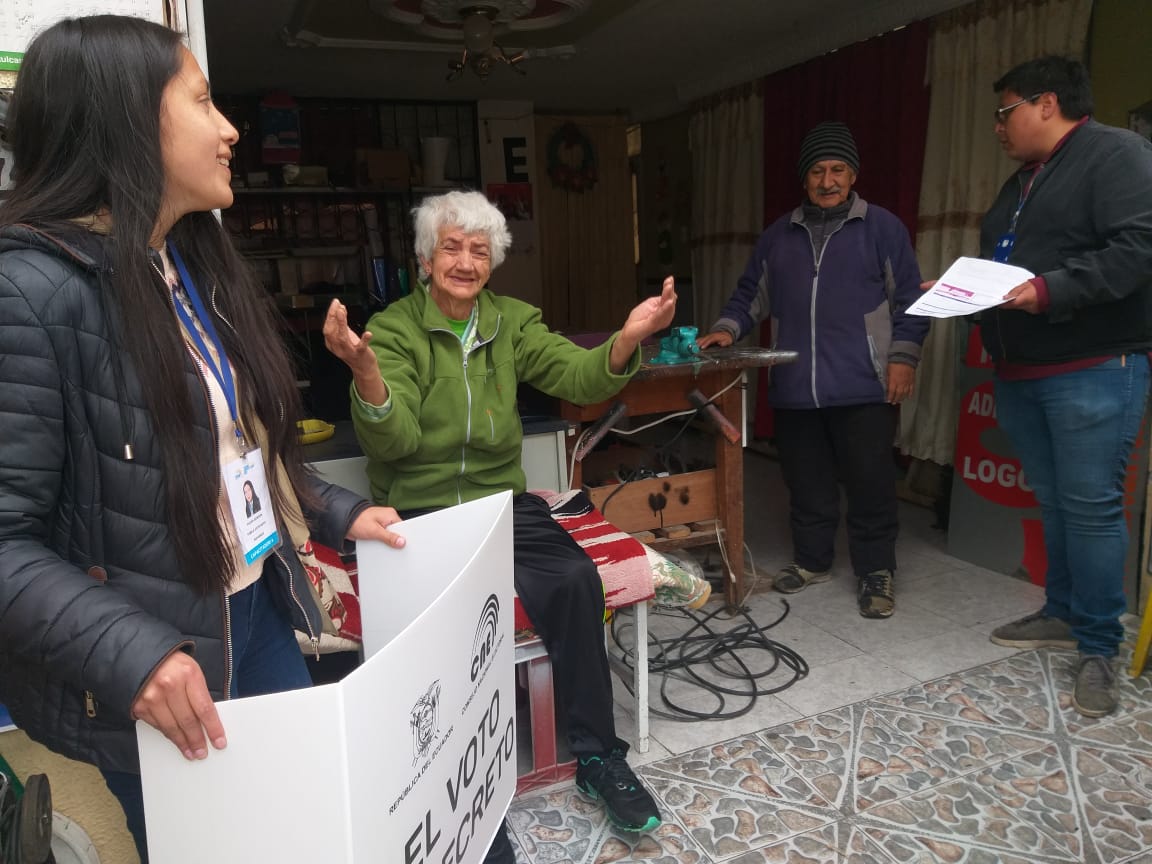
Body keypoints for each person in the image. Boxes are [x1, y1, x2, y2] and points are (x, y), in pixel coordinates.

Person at [0, 16, 406, 863]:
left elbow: (236, 450)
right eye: (203, 100)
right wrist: (135, 657)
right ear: (124, 121)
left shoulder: (182, 263)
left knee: (304, 831)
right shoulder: (29, 292)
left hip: (249, 612)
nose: (230, 129)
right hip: (153, 669)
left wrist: (337, 511)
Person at [323, 189, 677, 859]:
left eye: (478, 250)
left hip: (497, 505)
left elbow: (575, 376)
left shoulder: (511, 322)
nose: (464, 261)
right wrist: (366, 372)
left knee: (574, 581)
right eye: (451, 247)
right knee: (433, 625)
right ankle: (439, 779)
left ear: (493, 263)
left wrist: (628, 337)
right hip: (420, 509)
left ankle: (599, 757)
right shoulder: (394, 330)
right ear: (426, 260)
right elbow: (391, 445)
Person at [974, 57, 1152, 717]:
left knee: (1092, 509)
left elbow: (1137, 250)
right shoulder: (1024, 180)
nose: (999, 127)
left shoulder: (1117, 155)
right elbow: (1008, 264)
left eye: (1005, 111)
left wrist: (1047, 291)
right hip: (1024, 371)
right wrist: (966, 291)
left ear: (1046, 104)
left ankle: (1099, 646)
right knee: (1053, 504)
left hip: (1093, 366)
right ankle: (1061, 611)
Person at [697, 121, 929, 619]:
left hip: (866, 384)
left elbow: (910, 300)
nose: (828, 181)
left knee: (870, 482)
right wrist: (725, 329)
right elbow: (749, 296)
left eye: (838, 170)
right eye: (819, 171)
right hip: (796, 384)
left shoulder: (883, 228)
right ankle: (812, 560)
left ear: (854, 174)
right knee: (806, 481)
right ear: (805, 179)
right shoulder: (779, 236)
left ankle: (876, 571)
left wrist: (902, 359)